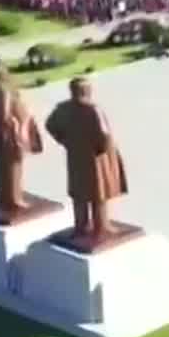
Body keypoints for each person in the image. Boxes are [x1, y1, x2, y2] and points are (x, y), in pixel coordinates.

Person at [44, 77, 130, 248]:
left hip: (75, 155)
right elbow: (104, 135)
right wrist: (101, 150)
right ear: (86, 91)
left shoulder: (64, 108)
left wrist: (64, 140)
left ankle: (81, 226)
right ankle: (101, 227)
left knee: (79, 192)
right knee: (98, 194)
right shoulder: (93, 110)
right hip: (95, 158)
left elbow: (50, 125)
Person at [0, 58, 43, 219]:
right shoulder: (3, 89)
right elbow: (5, 114)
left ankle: (5, 198)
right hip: (10, 134)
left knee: (1, 168)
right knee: (13, 167)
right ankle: (15, 199)